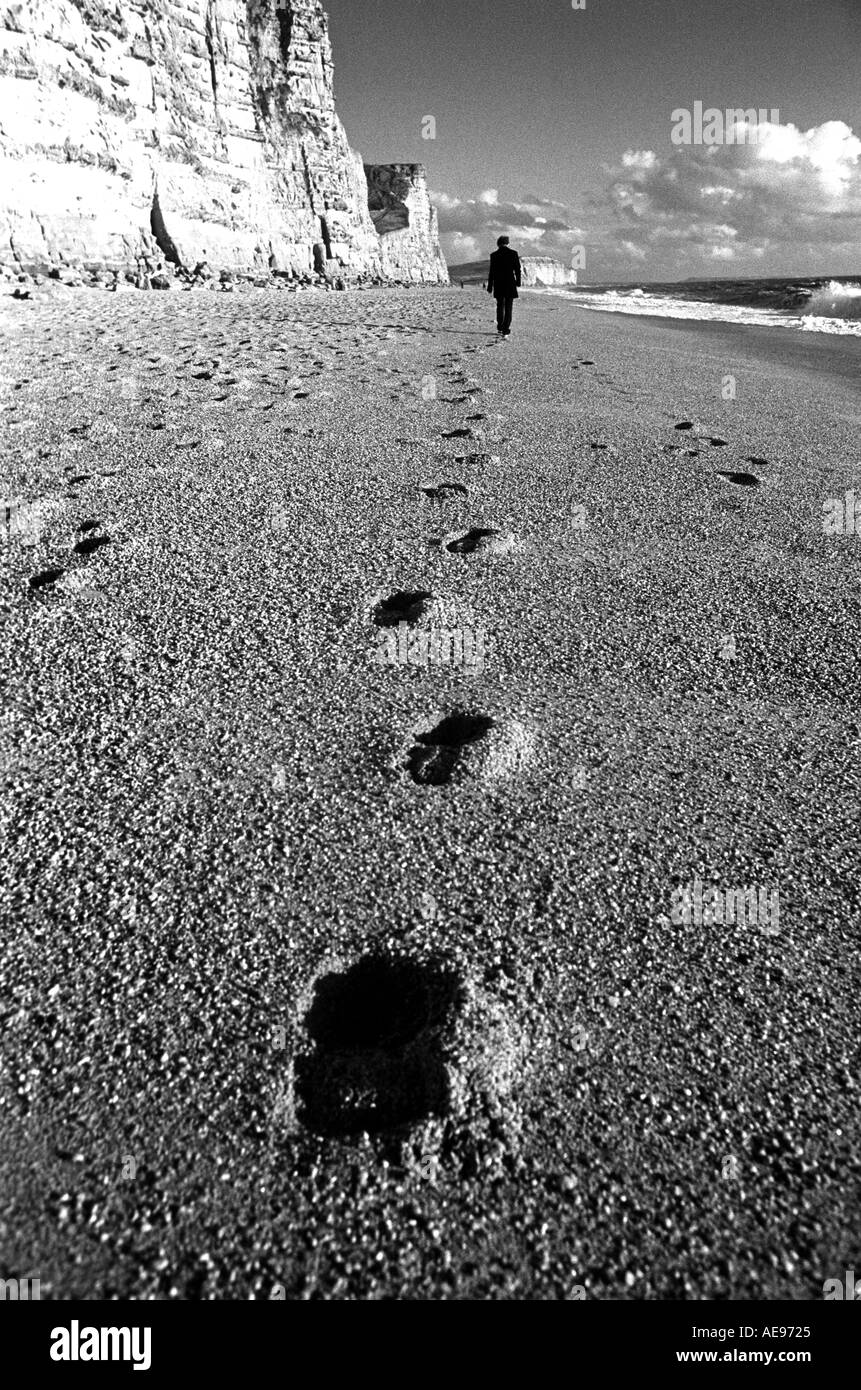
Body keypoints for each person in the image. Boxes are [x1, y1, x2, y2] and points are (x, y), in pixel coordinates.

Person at [486, 235, 521, 339]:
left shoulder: (494, 255)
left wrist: (490, 286)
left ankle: (500, 327)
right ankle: (506, 329)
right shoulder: (513, 254)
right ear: (508, 243)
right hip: (510, 283)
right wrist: (518, 282)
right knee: (509, 307)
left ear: (498, 243)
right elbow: (517, 270)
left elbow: (491, 272)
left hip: (498, 283)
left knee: (500, 306)